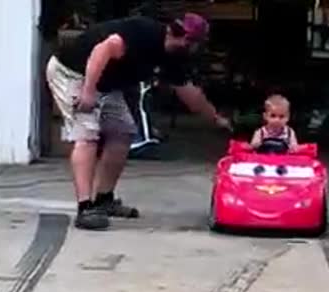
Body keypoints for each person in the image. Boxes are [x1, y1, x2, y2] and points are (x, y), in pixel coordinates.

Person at [46, 13, 230, 230]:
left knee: (123, 132)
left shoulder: (173, 56)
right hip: (74, 73)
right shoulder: (143, 33)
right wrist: (87, 92)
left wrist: (215, 119)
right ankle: (85, 208)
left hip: (107, 83)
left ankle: (103, 199)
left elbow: (188, 92)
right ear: (191, 42)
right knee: (87, 135)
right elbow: (102, 50)